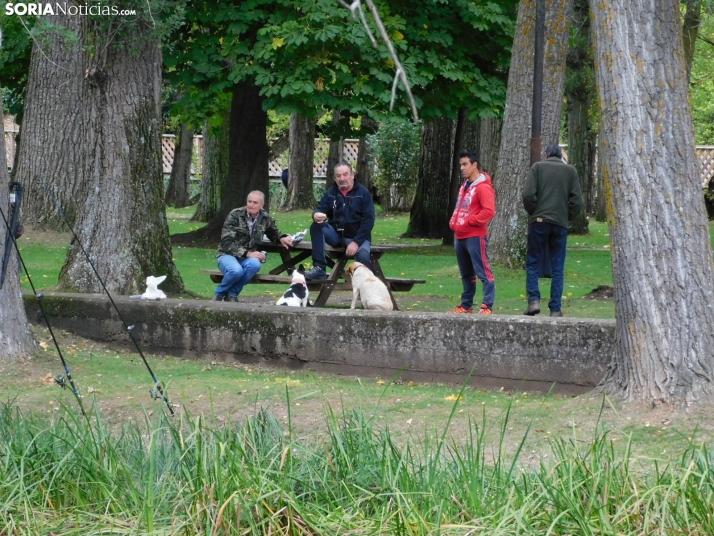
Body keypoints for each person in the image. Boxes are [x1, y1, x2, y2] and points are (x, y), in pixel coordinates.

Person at [522, 144, 584, 317]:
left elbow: (528, 195)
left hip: (540, 221)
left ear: (546, 154)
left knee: (533, 262)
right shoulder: (570, 171)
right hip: (560, 223)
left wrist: (534, 211)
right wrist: (566, 216)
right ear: (560, 155)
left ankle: (534, 299)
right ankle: (555, 308)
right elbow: (577, 201)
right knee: (558, 265)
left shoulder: (537, 168)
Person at [212, 191, 293, 302]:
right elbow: (226, 242)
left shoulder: (265, 217)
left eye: (255, 202)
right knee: (236, 271)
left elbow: (273, 232)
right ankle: (219, 294)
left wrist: (282, 237)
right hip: (227, 255)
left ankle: (232, 294)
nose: (251, 205)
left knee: (255, 264)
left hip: (247, 259)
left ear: (261, 205)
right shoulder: (235, 215)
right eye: (249, 202)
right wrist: (248, 254)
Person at [304, 161, 375, 281]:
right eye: (338, 176)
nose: (342, 178)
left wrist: (356, 243)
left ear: (352, 175)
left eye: (345, 174)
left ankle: (370, 288)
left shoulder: (363, 193)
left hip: (358, 237)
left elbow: (368, 221)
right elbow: (320, 208)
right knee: (316, 226)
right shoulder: (331, 193)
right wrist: (316, 214)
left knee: (363, 257)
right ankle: (319, 268)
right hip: (336, 236)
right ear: (335, 178)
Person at [448, 151, 496, 314]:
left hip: (475, 236)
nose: (462, 168)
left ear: (474, 165)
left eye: (465, 164)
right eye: (460, 164)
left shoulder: (483, 187)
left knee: (483, 271)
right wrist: (455, 221)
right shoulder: (464, 186)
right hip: (460, 235)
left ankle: (487, 305)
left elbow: (489, 211)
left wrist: (471, 221)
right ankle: (466, 305)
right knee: (466, 274)